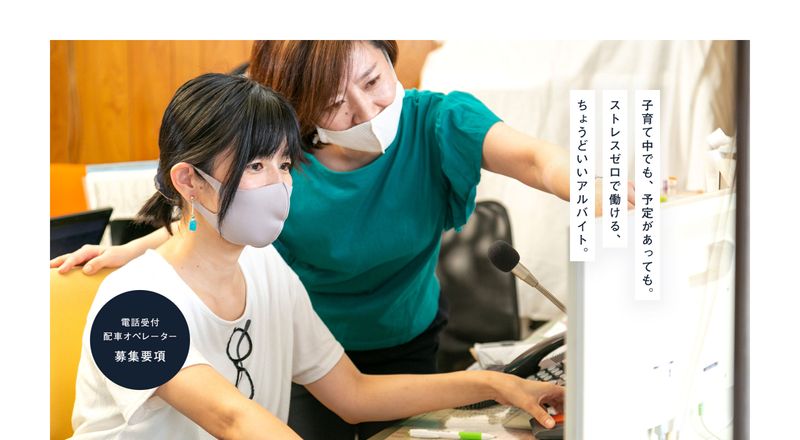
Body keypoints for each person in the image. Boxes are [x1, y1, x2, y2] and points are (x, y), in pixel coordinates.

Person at [53, 41, 623, 439]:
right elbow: (232, 420)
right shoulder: (133, 306)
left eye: (283, 164)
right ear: (188, 181)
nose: (280, 185)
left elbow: (353, 394)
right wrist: (129, 252)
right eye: (255, 166)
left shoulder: (269, 271)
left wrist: (496, 385)